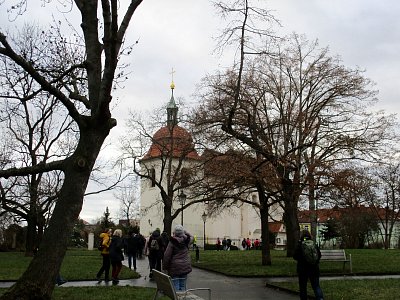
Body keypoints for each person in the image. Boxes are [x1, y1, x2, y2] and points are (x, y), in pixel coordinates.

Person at [293, 230, 324, 300]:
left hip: (303, 270)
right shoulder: (313, 244)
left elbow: (295, 256)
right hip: (314, 269)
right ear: (310, 235)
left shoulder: (300, 244)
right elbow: (319, 255)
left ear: (301, 236)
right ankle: (320, 298)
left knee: (303, 287)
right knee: (316, 286)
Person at [163, 224, 193, 291]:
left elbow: (166, 256)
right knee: (183, 285)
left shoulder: (172, 242)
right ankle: (183, 297)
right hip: (185, 266)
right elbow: (192, 237)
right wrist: (186, 232)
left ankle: (177, 297)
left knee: (175, 285)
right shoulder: (187, 241)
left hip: (175, 267)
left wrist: (165, 267)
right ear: (182, 232)